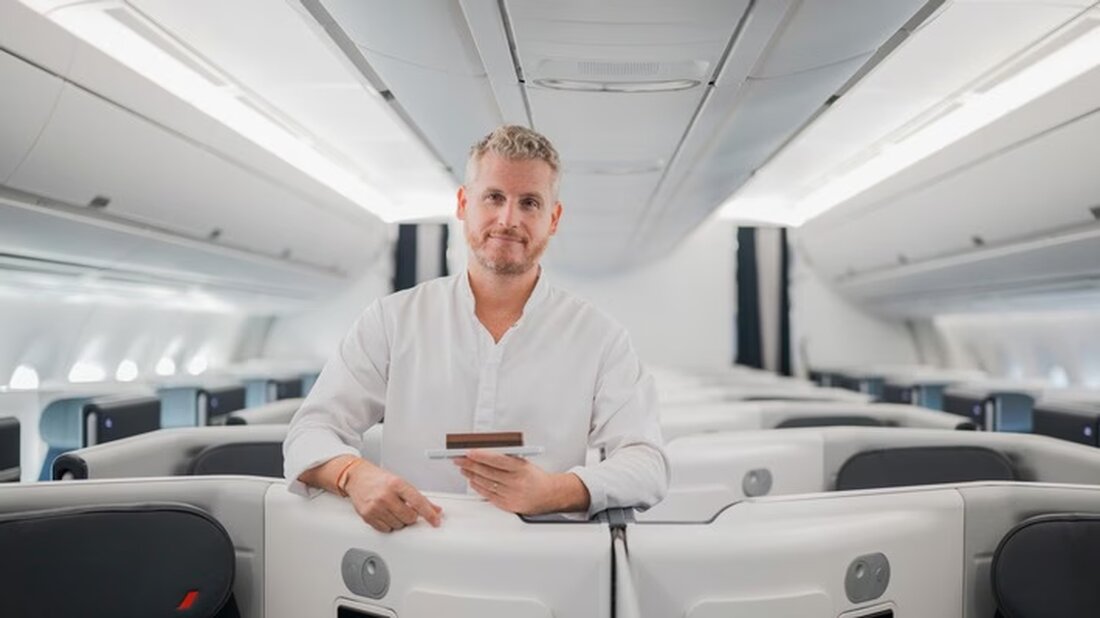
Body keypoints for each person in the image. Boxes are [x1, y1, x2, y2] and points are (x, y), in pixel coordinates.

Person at [283, 125, 668, 532]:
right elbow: (311, 430)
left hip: (548, 567)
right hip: (414, 553)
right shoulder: (392, 320)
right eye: (494, 197)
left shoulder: (599, 337)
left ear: (553, 219)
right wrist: (353, 475)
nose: (508, 219)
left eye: (530, 203)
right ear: (464, 203)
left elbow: (647, 464)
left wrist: (555, 491)